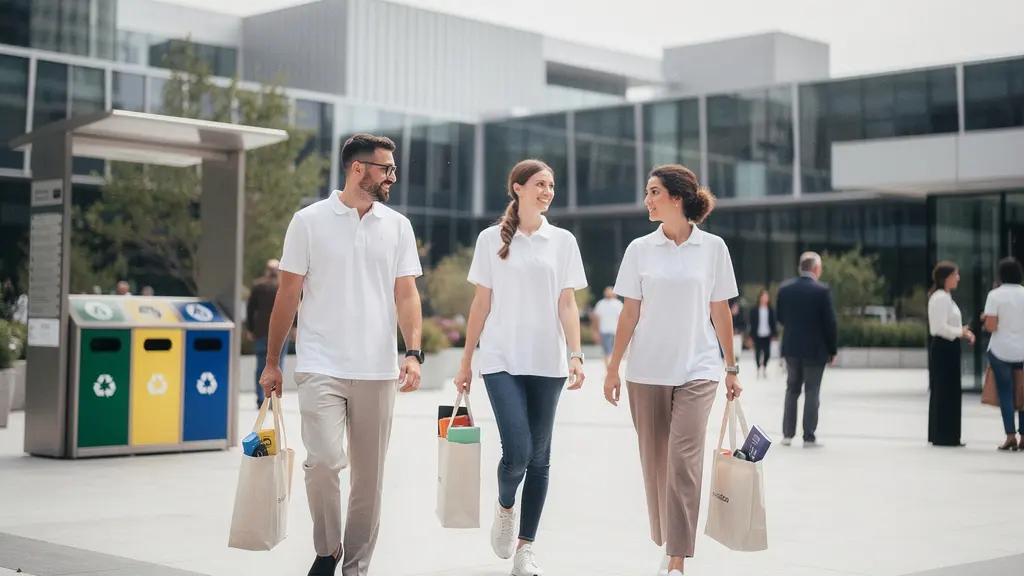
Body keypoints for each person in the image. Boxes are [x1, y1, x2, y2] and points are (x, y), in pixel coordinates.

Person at [260, 134, 425, 576]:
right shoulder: (308, 221)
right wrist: (273, 361)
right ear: (358, 168)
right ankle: (326, 550)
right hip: (320, 365)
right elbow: (288, 295)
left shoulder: (398, 226)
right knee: (324, 462)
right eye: (385, 168)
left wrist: (414, 353)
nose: (392, 176)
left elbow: (407, 295)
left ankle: (354, 567)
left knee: (368, 479)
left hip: (377, 369)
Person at [602, 164, 741, 576]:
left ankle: (678, 558)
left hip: (699, 369)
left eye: (653, 192)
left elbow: (720, 311)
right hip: (646, 371)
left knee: (684, 459)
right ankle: (668, 538)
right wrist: (613, 368)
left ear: (677, 198)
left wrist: (731, 368)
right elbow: (630, 313)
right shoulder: (639, 250)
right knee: (656, 463)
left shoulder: (713, 248)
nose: (647, 200)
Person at [454, 158, 587, 576]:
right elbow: (481, 303)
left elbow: (568, 303)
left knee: (542, 458)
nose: (547, 191)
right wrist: (465, 360)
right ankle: (505, 506)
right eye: (540, 184)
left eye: (551, 185)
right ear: (517, 188)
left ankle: (526, 548)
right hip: (501, 359)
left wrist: (576, 354)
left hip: (548, 362)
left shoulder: (563, 241)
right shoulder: (490, 239)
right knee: (518, 453)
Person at [776, 252, 837, 448]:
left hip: (792, 347)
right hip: (815, 349)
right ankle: (808, 436)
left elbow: (780, 317)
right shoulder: (822, 291)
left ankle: (787, 434)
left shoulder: (785, 290)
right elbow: (830, 324)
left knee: (792, 389)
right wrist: (832, 350)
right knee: (812, 391)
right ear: (816, 269)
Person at [927, 261, 973, 448]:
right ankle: (944, 435)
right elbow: (939, 327)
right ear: (946, 278)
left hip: (950, 346)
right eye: (955, 275)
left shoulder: (946, 297)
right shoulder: (940, 298)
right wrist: (960, 332)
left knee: (949, 390)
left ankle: (947, 433)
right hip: (944, 347)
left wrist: (962, 331)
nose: (958, 278)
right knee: (945, 390)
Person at [982, 257, 1024, 451]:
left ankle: (1010, 436)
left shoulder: (995, 295)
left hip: (1001, 351)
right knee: (1023, 394)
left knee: (1006, 393)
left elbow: (991, 326)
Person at [247, 259, 293, 408]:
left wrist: (250, 328)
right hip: (280, 333)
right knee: (279, 365)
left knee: (261, 365)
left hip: (261, 332)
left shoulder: (259, 286)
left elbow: (250, 309)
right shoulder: (283, 287)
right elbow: (292, 308)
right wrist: (294, 327)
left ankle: (261, 399)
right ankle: (274, 399)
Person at [748, 289, 778, 378]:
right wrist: (750, 336)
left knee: (767, 353)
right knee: (758, 352)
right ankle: (758, 368)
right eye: (763, 296)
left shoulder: (771, 309)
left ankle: (764, 367)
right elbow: (752, 323)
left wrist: (774, 334)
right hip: (757, 334)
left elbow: (773, 322)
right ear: (760, 298)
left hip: (767, 334)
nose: (765, 298)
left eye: (766, 297)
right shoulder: (754, 309)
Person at [591, 286, 624, 366]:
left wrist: (595, 332)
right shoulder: (618, 304)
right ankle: (611, 370)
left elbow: (595, 319)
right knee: (611, 352)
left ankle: (609, 370)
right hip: (612, 331)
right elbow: (621, 319)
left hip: (608, 331)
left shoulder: (601, 303)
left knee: (608, 352)